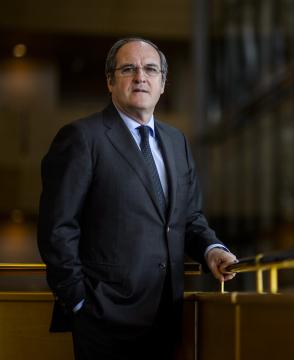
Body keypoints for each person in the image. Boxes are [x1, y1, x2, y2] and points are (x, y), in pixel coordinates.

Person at [37, 37, 237, 359]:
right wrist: (78, 301)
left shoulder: (177, 142)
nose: (140, 76)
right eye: (129, 68)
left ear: (162, 84)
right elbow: (57, 228)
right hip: (103, 319)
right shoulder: (81, 138)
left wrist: (212, 250)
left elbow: (189, 218)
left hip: (167, 317)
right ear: (110, 81)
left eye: (150, 69)